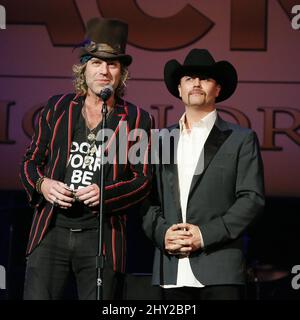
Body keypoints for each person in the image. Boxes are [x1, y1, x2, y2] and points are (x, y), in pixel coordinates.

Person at [20, 17, 152, 300]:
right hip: (51, 230)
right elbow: (29, 161)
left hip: (101, 237)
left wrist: (105, 194)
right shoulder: (57, 107)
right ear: (84, 68)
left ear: (121, 73)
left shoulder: (138, 118)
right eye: (96, 62)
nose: (104, 70)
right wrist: (43, 185)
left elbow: (142, 181)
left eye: (112, 64)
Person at [143, 49, 265, 300]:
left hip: (219, 269)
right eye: (189, 78)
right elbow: (146, 199)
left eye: (205, 78)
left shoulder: (241, 139)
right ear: (179, 89)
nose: (196, 83)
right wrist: (163, 233)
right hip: (170, 271)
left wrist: (204, 235)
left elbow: (251, 199)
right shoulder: (161, 140)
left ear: (218, 89)